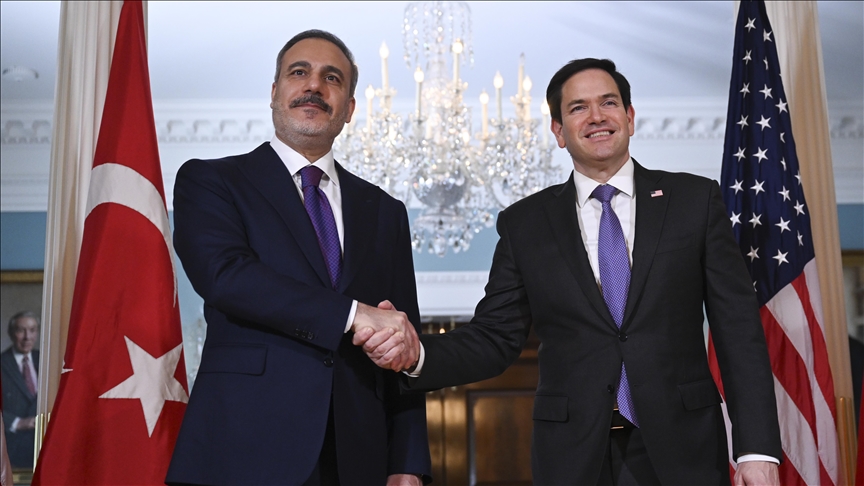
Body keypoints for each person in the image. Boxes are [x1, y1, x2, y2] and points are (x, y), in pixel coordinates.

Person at [359, 58, 782, 485]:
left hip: (684, 449)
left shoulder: (694, 200)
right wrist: (417, 355)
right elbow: (495, 337)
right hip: (573, 457)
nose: (597, 116)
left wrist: (757, 449)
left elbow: (737, 329)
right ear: (559, 131)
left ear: (630, 118)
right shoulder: (525, 224)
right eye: (579, 107)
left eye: (609, 103)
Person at [166, 29, 430, 486]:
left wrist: (408, 461)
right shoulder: (211, 181)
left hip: (359, 455)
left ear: (349, 108)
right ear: (274, 93)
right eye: (299, 72)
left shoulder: (385, 210)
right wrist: (353, 314)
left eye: (332, 78)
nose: (314, 86)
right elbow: (226, 277)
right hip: (243, 447)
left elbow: (402, 336)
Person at [1, 310, 40, 469]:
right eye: (20, 330)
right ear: (11, 333)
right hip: (11, 451)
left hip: (43, 447)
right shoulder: (2, 363)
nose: (27, 337)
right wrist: (17, 423)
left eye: (32, 330)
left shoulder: (46, 360)